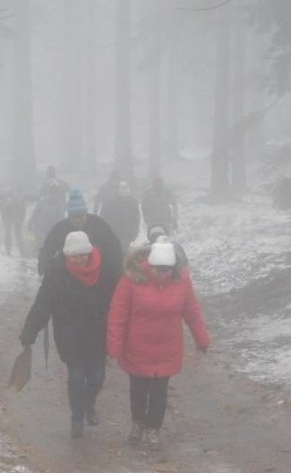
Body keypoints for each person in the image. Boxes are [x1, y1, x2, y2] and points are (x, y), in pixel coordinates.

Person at [107, 241, 210, 447]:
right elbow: (118, 314)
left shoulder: (182, 281)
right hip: (137, 346)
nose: (163, 275)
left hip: (167, 347)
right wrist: (115, 345)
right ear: (150, 266)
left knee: (159, 391)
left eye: (167, 271)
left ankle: (153, 427)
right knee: (138, 389)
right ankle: (138, 422)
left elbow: (192, 311)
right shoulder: (131, 280)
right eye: (159, 270)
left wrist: (201, 338)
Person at [19, 231, 118, 438]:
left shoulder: (107, 268)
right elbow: (43, 304)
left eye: (83, 254)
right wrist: (29, 332)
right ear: (67, 256)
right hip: (69, 332)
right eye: (75, 256)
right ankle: (77, 417)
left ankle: (88, 404)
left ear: (89, 252)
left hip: (98, 330)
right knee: (76, 376)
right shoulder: (56, 271)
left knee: (97, 376)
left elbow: (121, 299)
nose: (80, 259)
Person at [38, 187, 124, 280]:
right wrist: (44, 271)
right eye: (74, 217)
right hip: (68, 277)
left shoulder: (99, 225)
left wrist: (117, 269)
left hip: (99, 274)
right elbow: (47, 251)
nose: (78, 220)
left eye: (81, 216)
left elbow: (114, 247)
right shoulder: (60, 229)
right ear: (69, 216)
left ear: (86, 213)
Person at [98, 181, 141, 254]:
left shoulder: (133, 201)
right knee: (114, 252)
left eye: (126, 188)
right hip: (114, 232)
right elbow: (103, 216)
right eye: (122, 188)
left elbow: (136, 217)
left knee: (124, 252)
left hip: (127, 233)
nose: (124, 191)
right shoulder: (110, 201)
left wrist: (135, 231)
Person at [28, 178, 66, 255]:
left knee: (52, 245)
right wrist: (31, 222)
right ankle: (40, 257)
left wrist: (62, 226)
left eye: (55, 193)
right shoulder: (42, 202)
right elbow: (36, 213)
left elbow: (61, 217)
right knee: (42, 243)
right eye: (51, 193)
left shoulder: (59, 204)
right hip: (41, 227)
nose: (53, 196)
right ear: (48, 193)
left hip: (52, 228)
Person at [0, 192, 27, 256]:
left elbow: (4, 212)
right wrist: (21, 220)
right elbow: (23, 211)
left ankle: (11, 250)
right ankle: (20, 251)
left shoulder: (7, 201)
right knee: (15, 234)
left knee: (11, 233)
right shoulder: (16, 201)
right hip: (14, 217)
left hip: (14, 218)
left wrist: (5, 221)